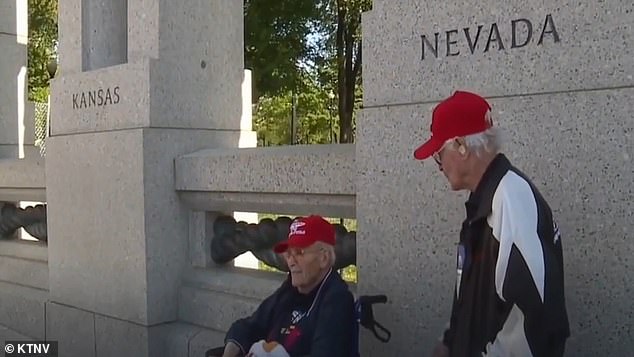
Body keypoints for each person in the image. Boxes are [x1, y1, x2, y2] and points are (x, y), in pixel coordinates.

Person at [413, 91, 570, 357]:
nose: (438, 166)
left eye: (439, 155)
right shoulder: (487, 200)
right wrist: (451, 342)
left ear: (462, 145)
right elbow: (475, 297)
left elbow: (541, 324)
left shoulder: (510, 201)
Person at [218, 215, 355, 357]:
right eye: (288, 253)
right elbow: (250, 326)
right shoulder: (291, 289)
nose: (291, 261)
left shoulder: (337, 300)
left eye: (299, 252)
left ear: (323, 258)